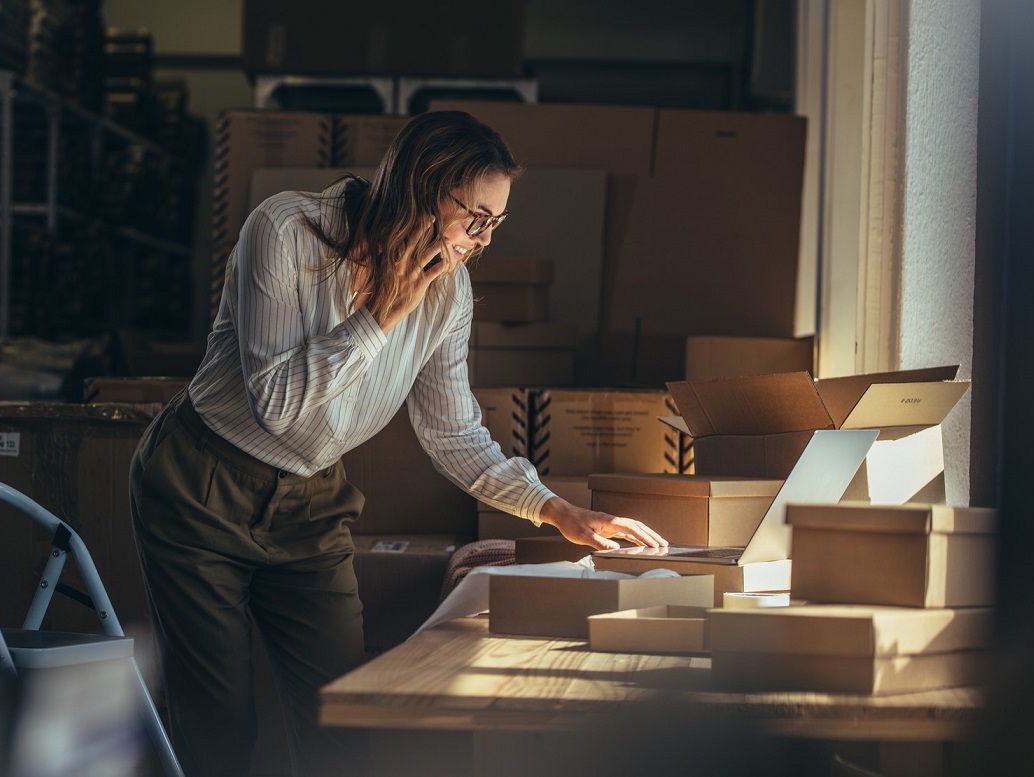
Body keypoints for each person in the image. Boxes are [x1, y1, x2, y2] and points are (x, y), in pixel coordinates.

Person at [129, 110, 668, 777]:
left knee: (344, 717)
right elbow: (274, 406)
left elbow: (452, 432)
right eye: (475, 216)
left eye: (494, 224)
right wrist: (379, 316)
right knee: (216, 726)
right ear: (423, 187)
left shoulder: (448, 291)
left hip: (311, 498)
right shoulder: (285, 232)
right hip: (199, 482)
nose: (482, 240)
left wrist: (557, 510)